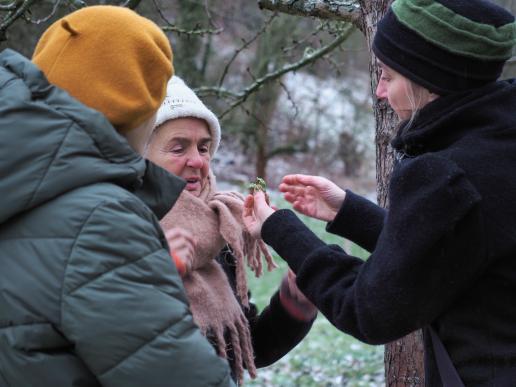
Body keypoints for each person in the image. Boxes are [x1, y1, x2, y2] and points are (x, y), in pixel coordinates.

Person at [242, 0, 516, 385]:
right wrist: (348, 212)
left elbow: (370, 309)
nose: (380, 91)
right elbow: (455, 243)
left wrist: (280, 228)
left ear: (429, 79)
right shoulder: (498, 144)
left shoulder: (445, 175)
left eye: (388, 76)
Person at [0, 6, 234, 387]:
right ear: (139, 110)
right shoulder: (101, 220)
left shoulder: (19, 178)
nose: (197, 161)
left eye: (205, 147)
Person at [145, 76, 317, 384]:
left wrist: (297, 297)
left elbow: (248, 347)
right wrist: (158, 270)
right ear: (141, 154)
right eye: (178, 147)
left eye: (204, 146)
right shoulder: (117, 224)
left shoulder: (220, 226)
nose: (197, 160)